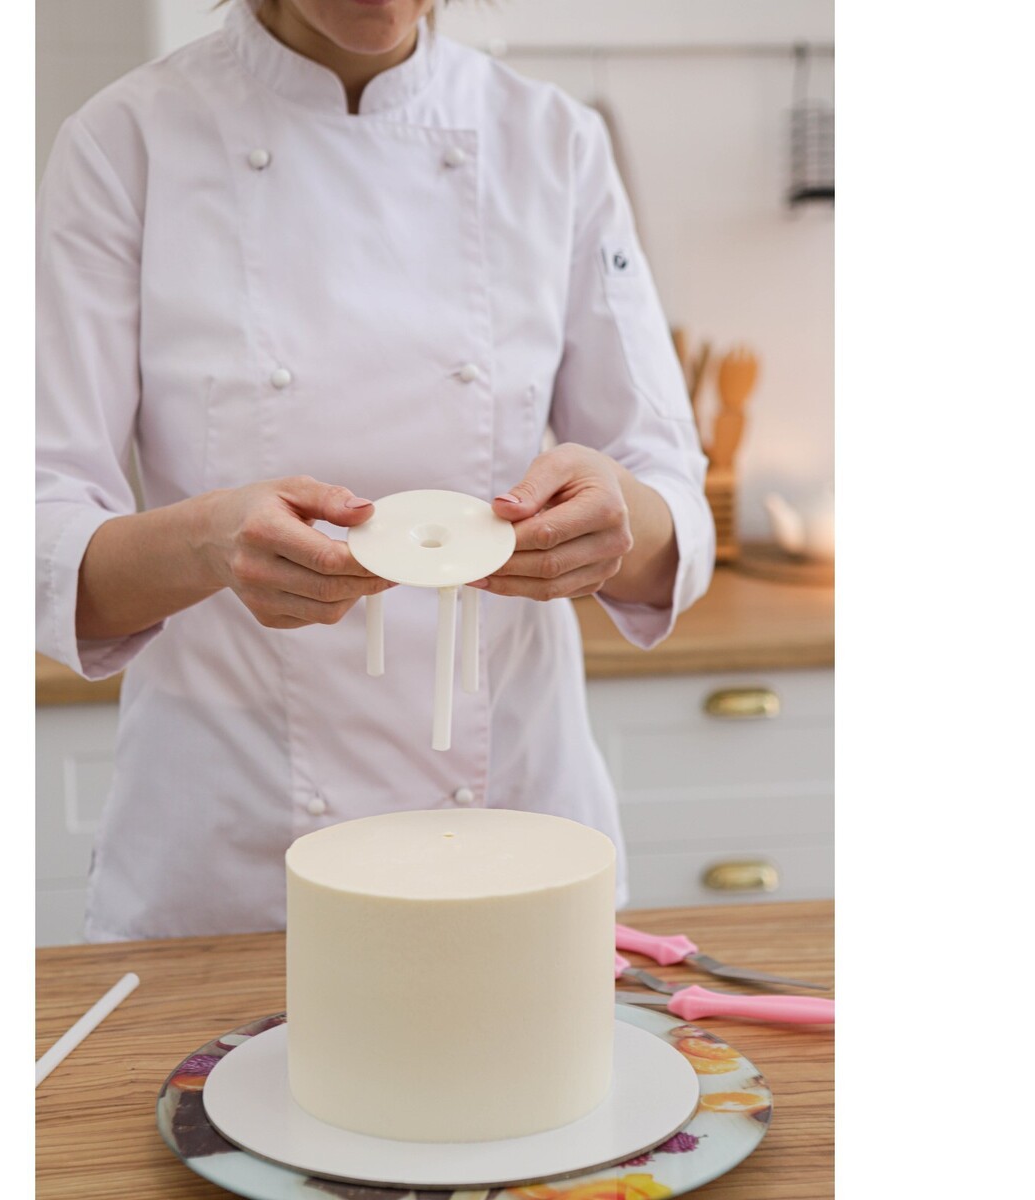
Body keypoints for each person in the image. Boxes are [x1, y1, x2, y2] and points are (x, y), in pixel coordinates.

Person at [36, 0, 715, 941]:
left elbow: (671, 509)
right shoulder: (126, 143)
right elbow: (38, 527)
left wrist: (615, 522)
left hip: (515, 840)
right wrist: (207, 544)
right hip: (235, 855)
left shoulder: (554, 140)